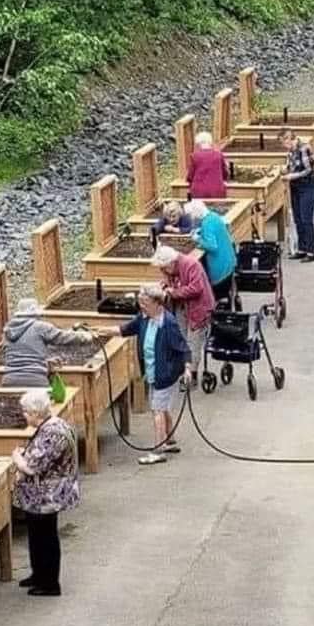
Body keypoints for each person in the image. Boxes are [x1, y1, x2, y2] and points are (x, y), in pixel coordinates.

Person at [11, 389, 80, 597]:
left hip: (48, 495)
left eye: (26, 412)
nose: (24, 415)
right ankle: (38, 573)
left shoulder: (52, 432)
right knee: (36, 534)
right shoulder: (52, 425)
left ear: (35, 413)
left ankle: (50, 582)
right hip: (41, 495)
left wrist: (17, 458)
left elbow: (33, 466)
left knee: (46, 536)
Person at [115, 285, 192, 466]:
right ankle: (169, 440)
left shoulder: (169, 323)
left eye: (146, 303)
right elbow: (123, 330)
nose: (142, 306)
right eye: (140, 302)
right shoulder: (143, 319)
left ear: (158, 304)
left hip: (165, 374)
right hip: (152, 372)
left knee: (157, 410)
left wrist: (187, 369)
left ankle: (158, 450)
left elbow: (183, 348)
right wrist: (95, 332)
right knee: (163, 407)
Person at [152, 244, 215, 378]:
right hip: (182, 307)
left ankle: (192, 374)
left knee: (193, 341)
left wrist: (174, 292)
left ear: (171, 263)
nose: (163, 271)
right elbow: (170, 283)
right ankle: (182, 370)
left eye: (164, 268)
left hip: (198, 308)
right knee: (181, 338)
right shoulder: (171, 270)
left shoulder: (191, 265)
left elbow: (197, 288)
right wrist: (165, 286)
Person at [2, 298, 94, 387]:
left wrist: (44, 362)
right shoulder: (39, 327)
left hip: (9, 380)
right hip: (35, 379)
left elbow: (17, 357)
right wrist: (86, 336)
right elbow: (63, 337)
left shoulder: (8, 330)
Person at [184, 199, 237, 301]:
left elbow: (212, 246)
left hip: (219, 271)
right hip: (228, 263)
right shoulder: (214, 216)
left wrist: (197, 239)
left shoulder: (207, 224)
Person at [279, 127, 314, 263]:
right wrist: (285, 170)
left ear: (289, 139)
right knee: (298, 218)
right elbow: (292, 165)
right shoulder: (290, 152)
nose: (284, 146)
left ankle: (311, 251)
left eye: (284, 142)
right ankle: (301, 249)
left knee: (306, 218)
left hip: (307, 186)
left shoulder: (304, 148)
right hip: (295, 186)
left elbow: (308, 170)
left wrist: (292, 176)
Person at [186, 131, 228, 200]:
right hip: (217, 190)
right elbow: (225, 173)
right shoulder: (219, 155)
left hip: (198, 192)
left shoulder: (194, 156)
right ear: (210, 142)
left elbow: (190, 176)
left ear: (199, 143)